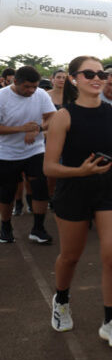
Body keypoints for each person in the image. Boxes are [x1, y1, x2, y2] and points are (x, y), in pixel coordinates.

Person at [44, 56, 112, 345]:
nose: (97, 78)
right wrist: (79, 171)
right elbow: (49, 167)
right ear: (74, 78)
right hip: (73, 190)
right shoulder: (63, 116)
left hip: (109, 189)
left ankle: (110, 322)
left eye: (101, 74)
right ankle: (61, 300)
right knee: (70, 256)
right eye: (89, 74)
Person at [0, 66, 56, 245]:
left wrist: (38, 128)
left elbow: (52, 116)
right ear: (15, 82)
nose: (31, 90)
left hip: (35, 150)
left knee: (40, 188)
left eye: (34, 86)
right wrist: (21, 129)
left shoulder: (41, 94)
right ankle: (5, 227)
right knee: (7, 193)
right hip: (7, 153)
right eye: (27, 87)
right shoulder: (2, 97)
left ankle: (38, 229)